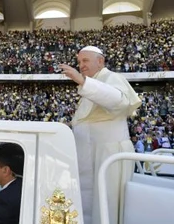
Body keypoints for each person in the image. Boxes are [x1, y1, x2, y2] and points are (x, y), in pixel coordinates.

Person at [59, 46, 141, 224]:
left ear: (100, 61)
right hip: (91, 154)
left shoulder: (112, 77)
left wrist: (82, 81)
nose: (81, 65)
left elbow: (118, 101)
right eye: (79, 62)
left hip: (108, 155)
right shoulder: (93, 81)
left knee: (107, 206)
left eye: (85, 61)